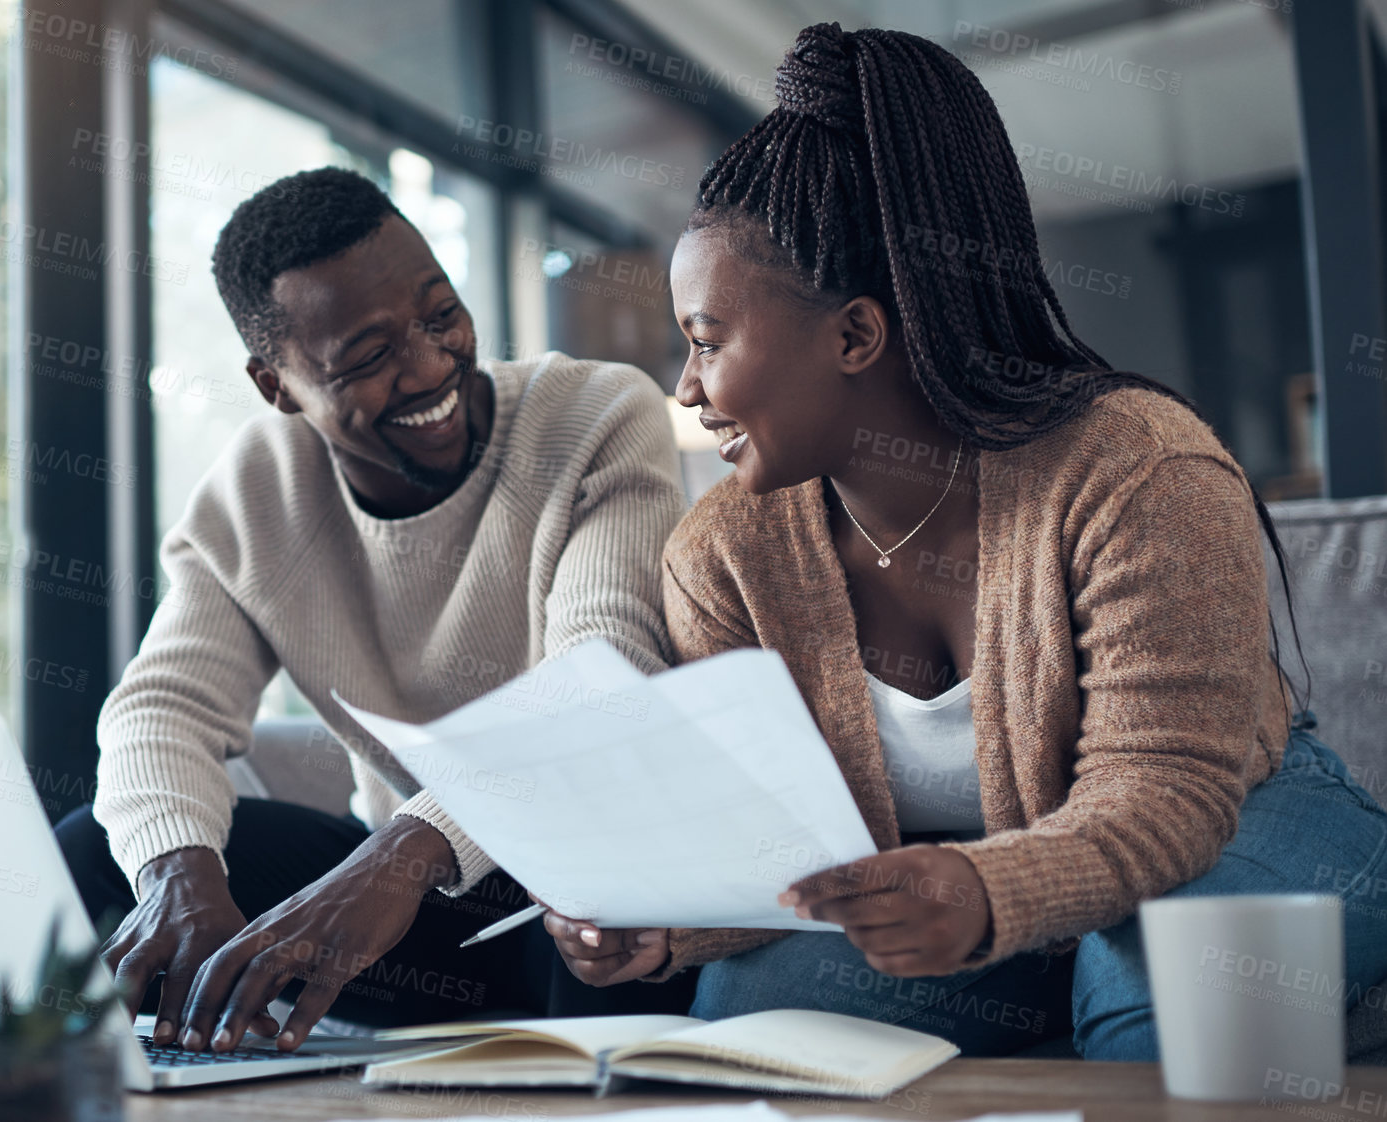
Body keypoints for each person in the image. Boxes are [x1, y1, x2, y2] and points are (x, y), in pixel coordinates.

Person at [537, 22, 1387, 1059]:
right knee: (748, 1023)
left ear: (854, 336)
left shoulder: (1140, 469)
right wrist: (660, 922)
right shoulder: (721, 553)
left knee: (1157, 1015)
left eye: (708, 343)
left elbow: (1167, 788)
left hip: (1233, 817)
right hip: (966, 872)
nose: (687, 389)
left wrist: (992, 890)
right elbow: (782, 841)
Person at [54, 166, 696, 1055]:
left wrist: (402, 852)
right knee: (96, 851)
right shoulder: (258, 489)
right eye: (368, 356)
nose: (431, 366)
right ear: (278, 386)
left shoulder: (593, 413)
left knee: (602, 901)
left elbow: (600, 677)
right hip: (420, 920)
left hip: (588, 900)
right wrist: (178, 875)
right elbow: (159, 709)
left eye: (441, 315)